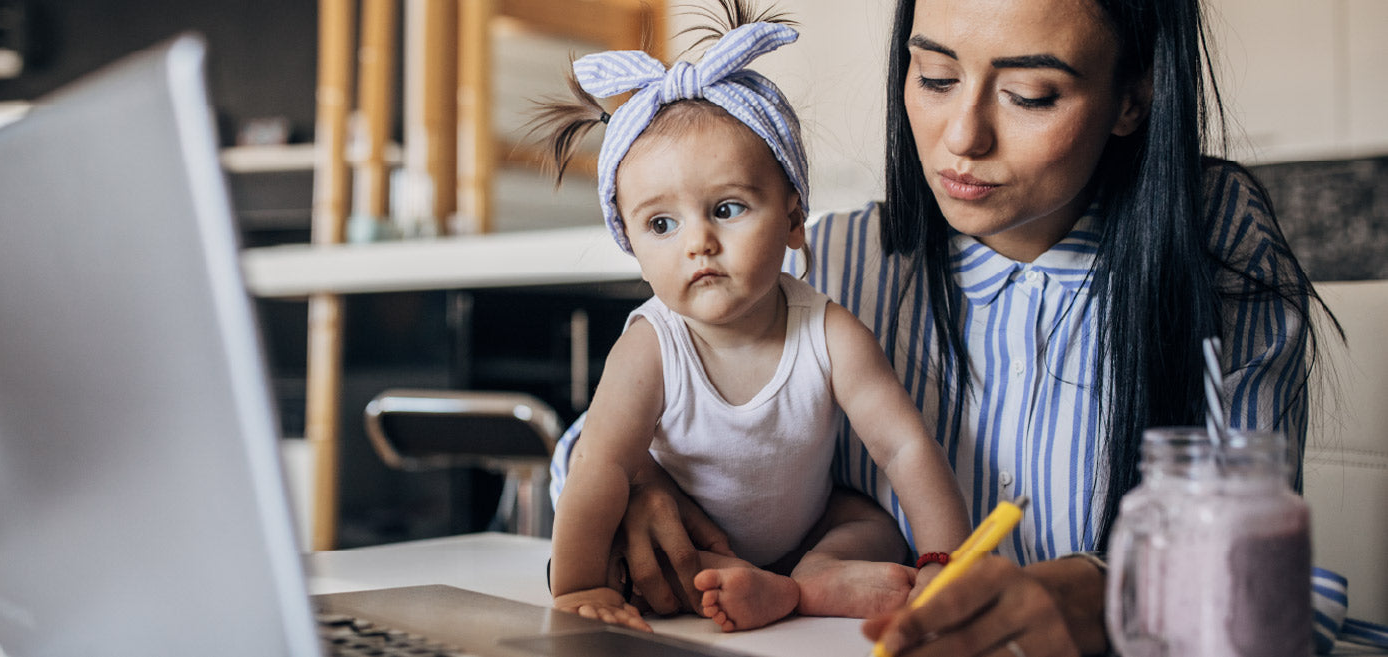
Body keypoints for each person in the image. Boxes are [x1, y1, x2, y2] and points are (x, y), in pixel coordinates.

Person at [549, 0, 1339, 654]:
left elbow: (1256, 572)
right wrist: (643, 480)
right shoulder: (824, 256)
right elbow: (586, 452)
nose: (963, 137)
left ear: (1132, 96)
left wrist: (1096, 595)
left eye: (1030, 94)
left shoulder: (1212, 245)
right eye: (932, 77)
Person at [531, 8, 971, 634]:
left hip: (812, 529)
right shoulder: (652, 346)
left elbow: (904, 447)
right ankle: (772, 587)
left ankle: (807, 581)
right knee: (642, 547)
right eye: (662, 224)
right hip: (697, 545)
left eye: (728, 208)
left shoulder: (829, 332)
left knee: (870, 522)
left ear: (793, 218)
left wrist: (943, 563)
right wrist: (581, 587)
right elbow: (598, 465)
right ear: (628, 240)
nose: (698, 242)